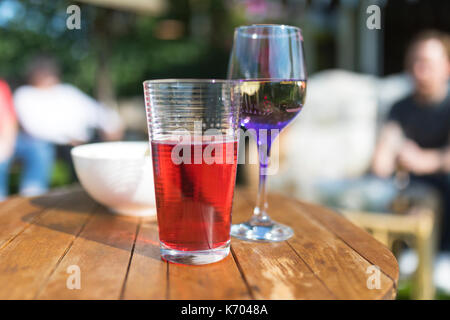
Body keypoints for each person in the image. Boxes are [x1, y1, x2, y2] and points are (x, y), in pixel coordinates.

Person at [1, 55, 123, 199]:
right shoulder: (25, 95)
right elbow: (34, 129)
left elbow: (98, 113)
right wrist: (66, 138)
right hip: (59, 144)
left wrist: (112, 126)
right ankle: (33, 196)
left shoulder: (68, 91)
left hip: (86, 141)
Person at [372, 30, 450, 251]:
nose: (419, 71)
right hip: (409, 184)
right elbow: (381, 161)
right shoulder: (400, 107)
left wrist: (421, 159)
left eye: (426, 63)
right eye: (414, 62)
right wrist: (392, 157)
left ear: (446, 67)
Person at [0, 80, 17, 200]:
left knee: (38, 148)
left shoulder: (1, 86)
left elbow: (9, 119)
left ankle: (32, 193)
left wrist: (7, 144)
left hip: (4, 140)